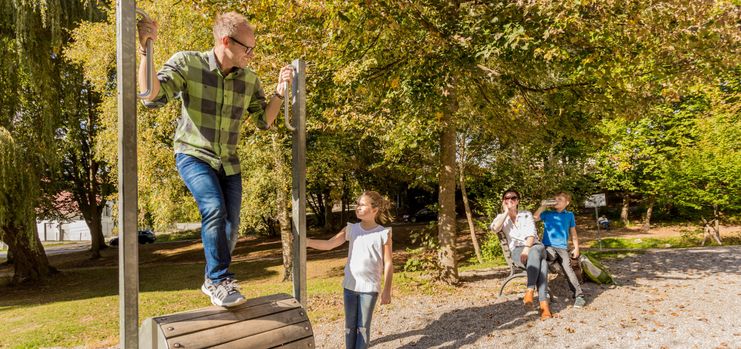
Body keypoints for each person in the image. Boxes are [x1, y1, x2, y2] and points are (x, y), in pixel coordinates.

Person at [137, 12, 294, 307]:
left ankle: (211, 280)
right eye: (247, 48)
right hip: (193, 154)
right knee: (213, 208)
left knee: (231, 226)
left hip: (229, 162)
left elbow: (264, 121)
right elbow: (150, 95)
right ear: (225, 41)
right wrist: (146, 48)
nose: (251, 54)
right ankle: (222, 280)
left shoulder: (249, 79)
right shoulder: (188, 63)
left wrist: (279, 92)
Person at [307, 191, 394, 349]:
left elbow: (388, 263)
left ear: (374, 209)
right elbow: (329, 244)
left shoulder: (383, 233)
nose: (357, 207)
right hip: (349, 286)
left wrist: (387, 290)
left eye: (362, 205)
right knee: (350, 328)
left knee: (362, 328)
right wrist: (307, 241)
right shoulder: (351, 229)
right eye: (357, 204)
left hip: (369, 289)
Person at [490, 189, 552, 320]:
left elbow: (531, 234)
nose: (510, 200)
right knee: (543, 264)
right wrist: (506, 212)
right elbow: (495, 229)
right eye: (507, 198)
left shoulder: (526, 214)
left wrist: (527, 249)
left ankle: (529, 291)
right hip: (517, 251)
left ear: (517, 201)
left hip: (534, 246)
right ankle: (544, 305)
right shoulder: (501, 218)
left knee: (535, 251)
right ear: (503, 201)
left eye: (513, 198)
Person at [534, 191, 586, 308]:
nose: (556, 200)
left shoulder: (569, 215)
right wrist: (543, 205)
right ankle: (544, 293)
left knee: (568, 270)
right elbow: (534, 218)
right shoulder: (547, 213)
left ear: (567, 202)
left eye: (560, 199)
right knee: (547, 259)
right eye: (555, 198)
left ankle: (579, 296)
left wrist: (576, 247)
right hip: (548, 246)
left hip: (563, 248)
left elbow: (573, 233)